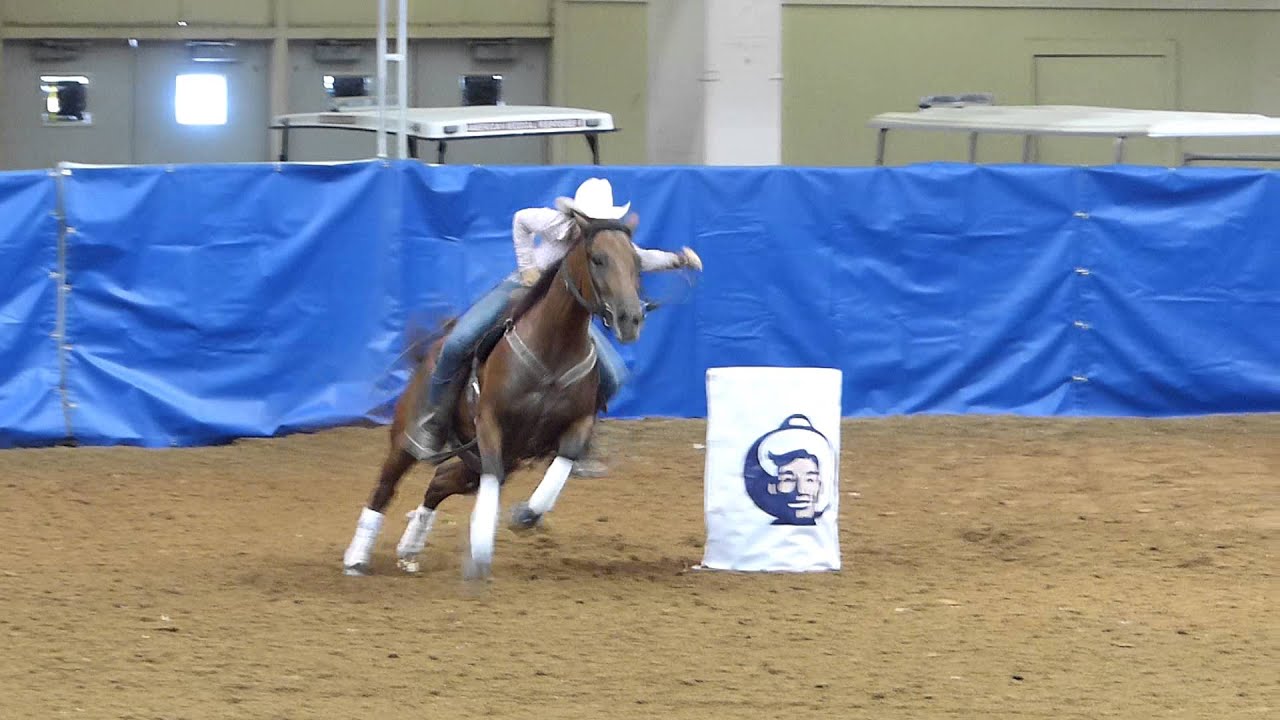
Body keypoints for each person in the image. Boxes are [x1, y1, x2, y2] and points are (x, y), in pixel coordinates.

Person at [402, 177, 702, 471]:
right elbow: (521, 220)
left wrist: (677, 260)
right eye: (589, 217)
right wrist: (528, 267)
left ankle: (577, 439)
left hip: (564, 310)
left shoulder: (606, 240)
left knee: (613, 377)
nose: (593, 222)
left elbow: (637, 258)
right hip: (521, 290)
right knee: (457, 342)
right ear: (577, 215)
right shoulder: (554, 223)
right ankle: (434, 421)